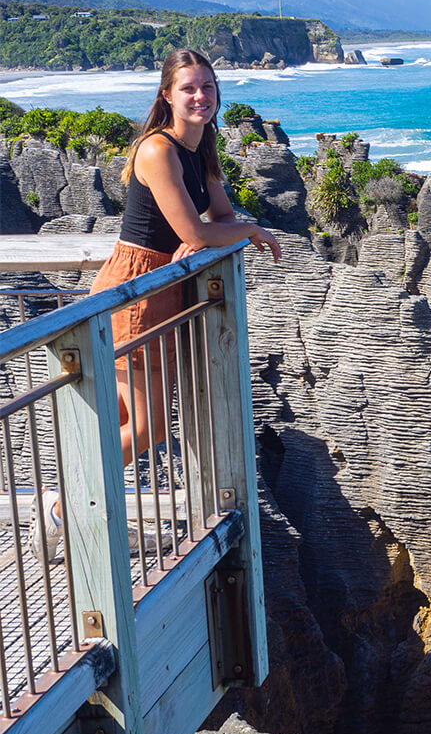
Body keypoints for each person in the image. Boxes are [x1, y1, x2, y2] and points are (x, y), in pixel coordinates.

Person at [30, 49, 282, 561]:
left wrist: (217, 232)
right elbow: (199, 228)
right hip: (136, 290)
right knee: (147, 427)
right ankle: (60, 507)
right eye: (189, 88)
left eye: (208, 87)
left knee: (119, 417)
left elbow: (218, 215)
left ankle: (78, 507)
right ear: (167, 94)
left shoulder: (200, 149)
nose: (200, 97)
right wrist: (243, 231)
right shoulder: (157, 151)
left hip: (162, 289)